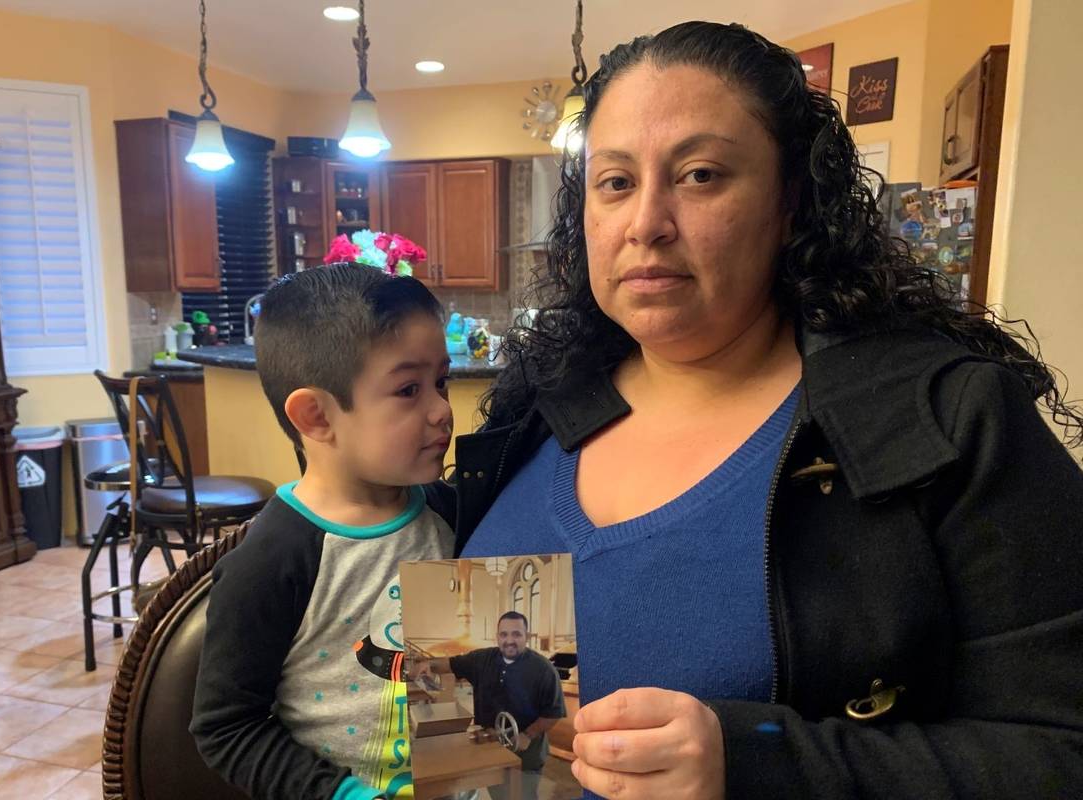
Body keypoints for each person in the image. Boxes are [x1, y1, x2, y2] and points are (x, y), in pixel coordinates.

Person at [452, 20, 1083, 800]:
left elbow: (1059, 754)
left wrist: (755, 763)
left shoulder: (949, 419)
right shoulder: (537, 407)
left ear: (790, 201)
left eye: (701, 174)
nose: (646, 222)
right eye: (615, 182)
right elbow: (485, 748)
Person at [191, 264, 457, 800]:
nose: (442, 410)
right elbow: (225, 727)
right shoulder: (272, 561)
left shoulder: (453, 513)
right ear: (316, 416)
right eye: (410, 389)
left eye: (441, 382)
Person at [412, 611, 566, 800]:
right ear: (497, 637)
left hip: (525, 754)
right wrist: (429, 664)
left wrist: (528, 734)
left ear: (526, 636)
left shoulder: (543, 669)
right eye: (504, 634)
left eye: (516, 634)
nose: (509, 640)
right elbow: (451, 664)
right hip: (489, 747)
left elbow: (553, 713)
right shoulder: (482, 659)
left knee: (521, 795)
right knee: (499, 794)